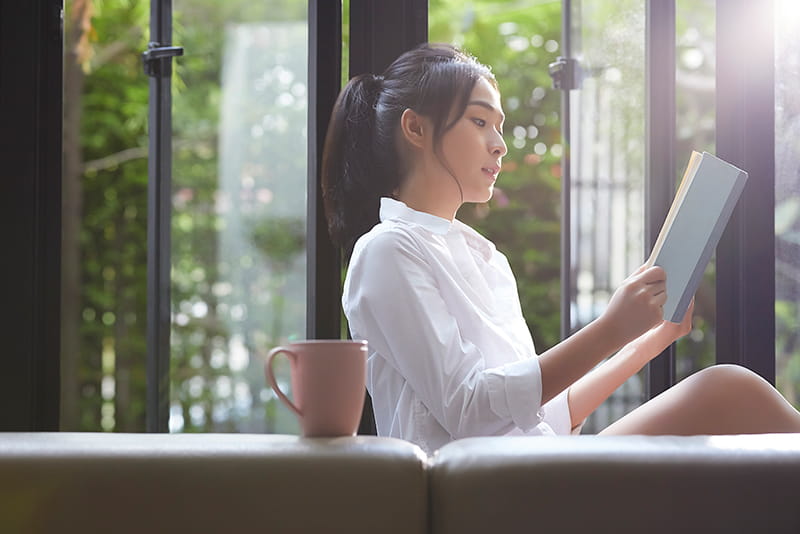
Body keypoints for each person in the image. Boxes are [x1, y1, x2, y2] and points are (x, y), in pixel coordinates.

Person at [321, 42, 800, 454]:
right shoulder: (387, 251)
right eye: (479, 121)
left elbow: (544, 414)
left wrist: (647, 339)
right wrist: (612, 328)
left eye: (499, 126)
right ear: (416, 129)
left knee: (730, 401)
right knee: (726, 389)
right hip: (479, 491)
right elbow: (469, 413)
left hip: (535, 465)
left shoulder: (484, 257)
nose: (499, 145)